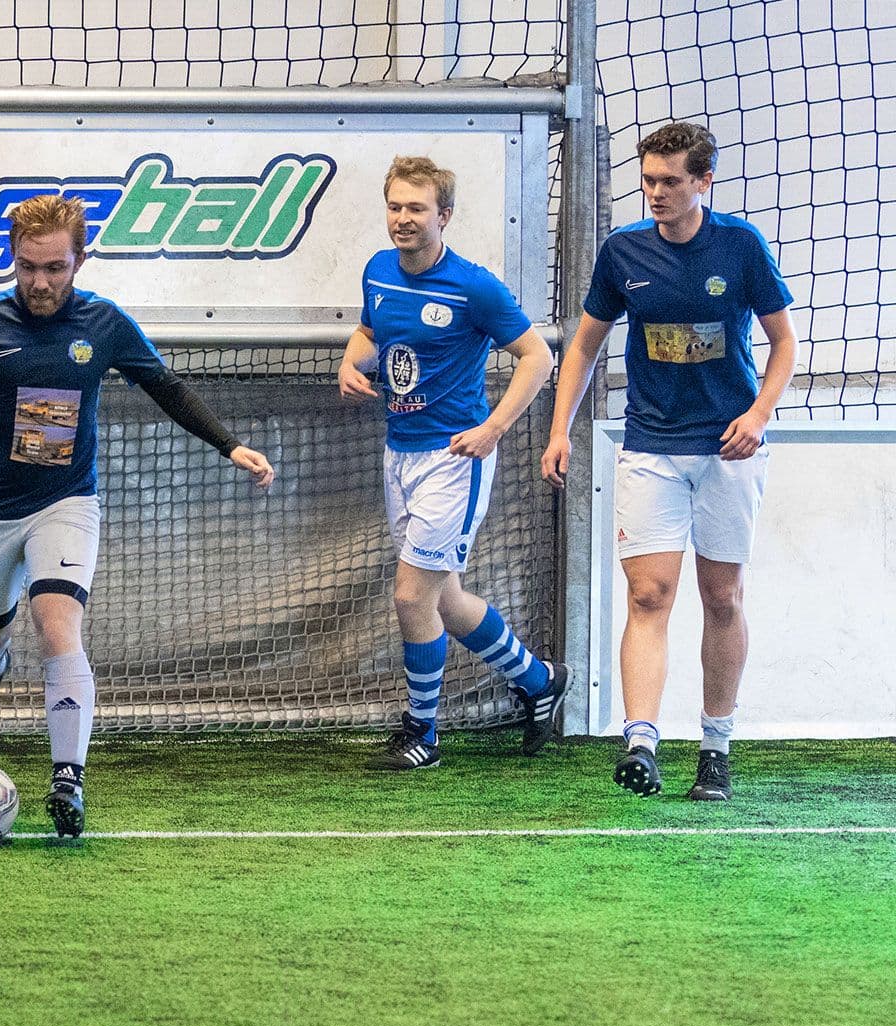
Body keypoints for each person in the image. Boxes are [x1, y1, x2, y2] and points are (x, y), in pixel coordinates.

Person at [0, 194, 275, 838]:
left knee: (58, 627)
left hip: (67, 501)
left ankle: (68, 779)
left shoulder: (104, 324)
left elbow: (165, 387)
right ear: (13, 260)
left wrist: (229, 443)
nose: (40, 282)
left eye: (55, 267)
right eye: (28, 268)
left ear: (80, 259)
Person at [542, 122, 797, 801]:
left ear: (703, 181)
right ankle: (642, 744)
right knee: (649, 595)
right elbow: (586, 346)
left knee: (722, 597)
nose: (655, 192)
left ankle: (716, 747)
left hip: (728, 451)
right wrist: (559, 430)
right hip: (650, 447)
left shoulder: (740, 247)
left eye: (670, 181)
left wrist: (758, 414)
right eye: (648, 179)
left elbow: (784, 344)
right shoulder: (622, 252)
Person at [336, 156, 569, 771]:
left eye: (417, 208)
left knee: (412, 596)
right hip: (398, 452)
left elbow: (538, 358)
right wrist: (348, 361)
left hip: (454, 459)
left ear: (444, 215)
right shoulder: (379, 270)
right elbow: (368, 332)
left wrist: (493, 429)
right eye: (395, 206)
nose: (403, 219)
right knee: (446, 600)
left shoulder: (475, 287)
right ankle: (541, 682)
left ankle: (423, 732)